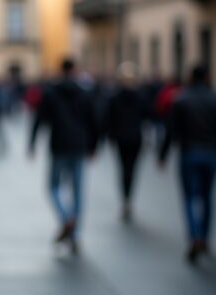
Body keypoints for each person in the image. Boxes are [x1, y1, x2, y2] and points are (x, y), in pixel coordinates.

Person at [159, 64, 216, 264]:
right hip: (210, 154)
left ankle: (195, 236)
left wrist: (163, 155)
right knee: (207, 196)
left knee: (190, 197)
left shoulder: (181, 100)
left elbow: (171, 130)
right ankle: (205, 237)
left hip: (189, 154)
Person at [28, 58, 97, 254]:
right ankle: (75, 234)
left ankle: (66, 217)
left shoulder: (51, 92)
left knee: (53, 187)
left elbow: (40, 118)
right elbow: (93, 121)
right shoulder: (84, 93)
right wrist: (93, 146)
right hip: (79, 145)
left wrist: (32, 143)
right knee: (77, 191)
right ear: (74, 70)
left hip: (58, 144)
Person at [105, 62, 148, 221]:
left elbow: (109, 119)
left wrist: (109, 136)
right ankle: (128, 199)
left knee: (124, 169)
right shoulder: (140, 96)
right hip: (135, 137)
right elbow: (147, 115)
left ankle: (125, 199)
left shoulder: (115, 97)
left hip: (121, 138)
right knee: (131, 170)